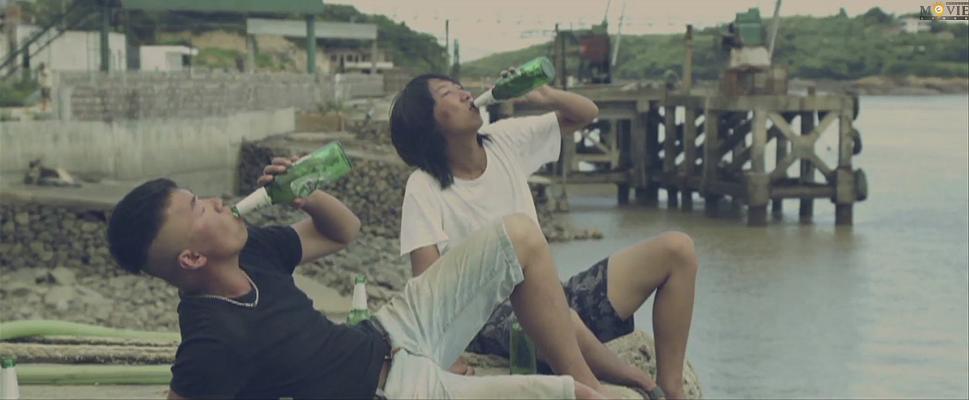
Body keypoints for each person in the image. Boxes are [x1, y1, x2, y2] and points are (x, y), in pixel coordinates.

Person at [105, 157, 611, 399]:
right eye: (200, 207)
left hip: (393, 331)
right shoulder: (211, 339)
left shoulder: (252, 250)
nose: (218, 202)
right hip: (397, 391)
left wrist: (306, 196)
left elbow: (343, 232)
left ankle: (589, 376)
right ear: (192, 258)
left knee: (517, 235)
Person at [390, 73, 699, 399]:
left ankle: (671, 387)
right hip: (489, 321)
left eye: (460, 88)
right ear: (428, 124)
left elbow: (586, 113)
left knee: (677, 249)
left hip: (551, 295)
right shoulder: (423, 187)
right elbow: (429, 285)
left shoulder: (502, 141)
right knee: (566, 318)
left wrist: (546, 95)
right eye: (447, 93)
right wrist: (445, 355)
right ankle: (604, 386)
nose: (465, 94)